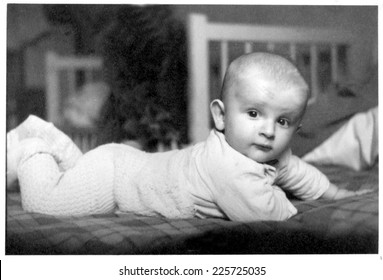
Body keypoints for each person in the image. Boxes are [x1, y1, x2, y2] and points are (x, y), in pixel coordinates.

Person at [6, 52, 370, 222]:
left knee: (74, 178)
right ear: (221, 116)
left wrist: (339, 194)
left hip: (125, 163)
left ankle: (52, 143)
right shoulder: (230, 169)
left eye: (285, 121)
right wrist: (311, 210)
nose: (269, 130)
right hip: (115, 180)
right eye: (255, 113)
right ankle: (33, 150)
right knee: (45, 203)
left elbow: (299, 172)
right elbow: (272, 213)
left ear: (295, 129)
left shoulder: (266, 152)